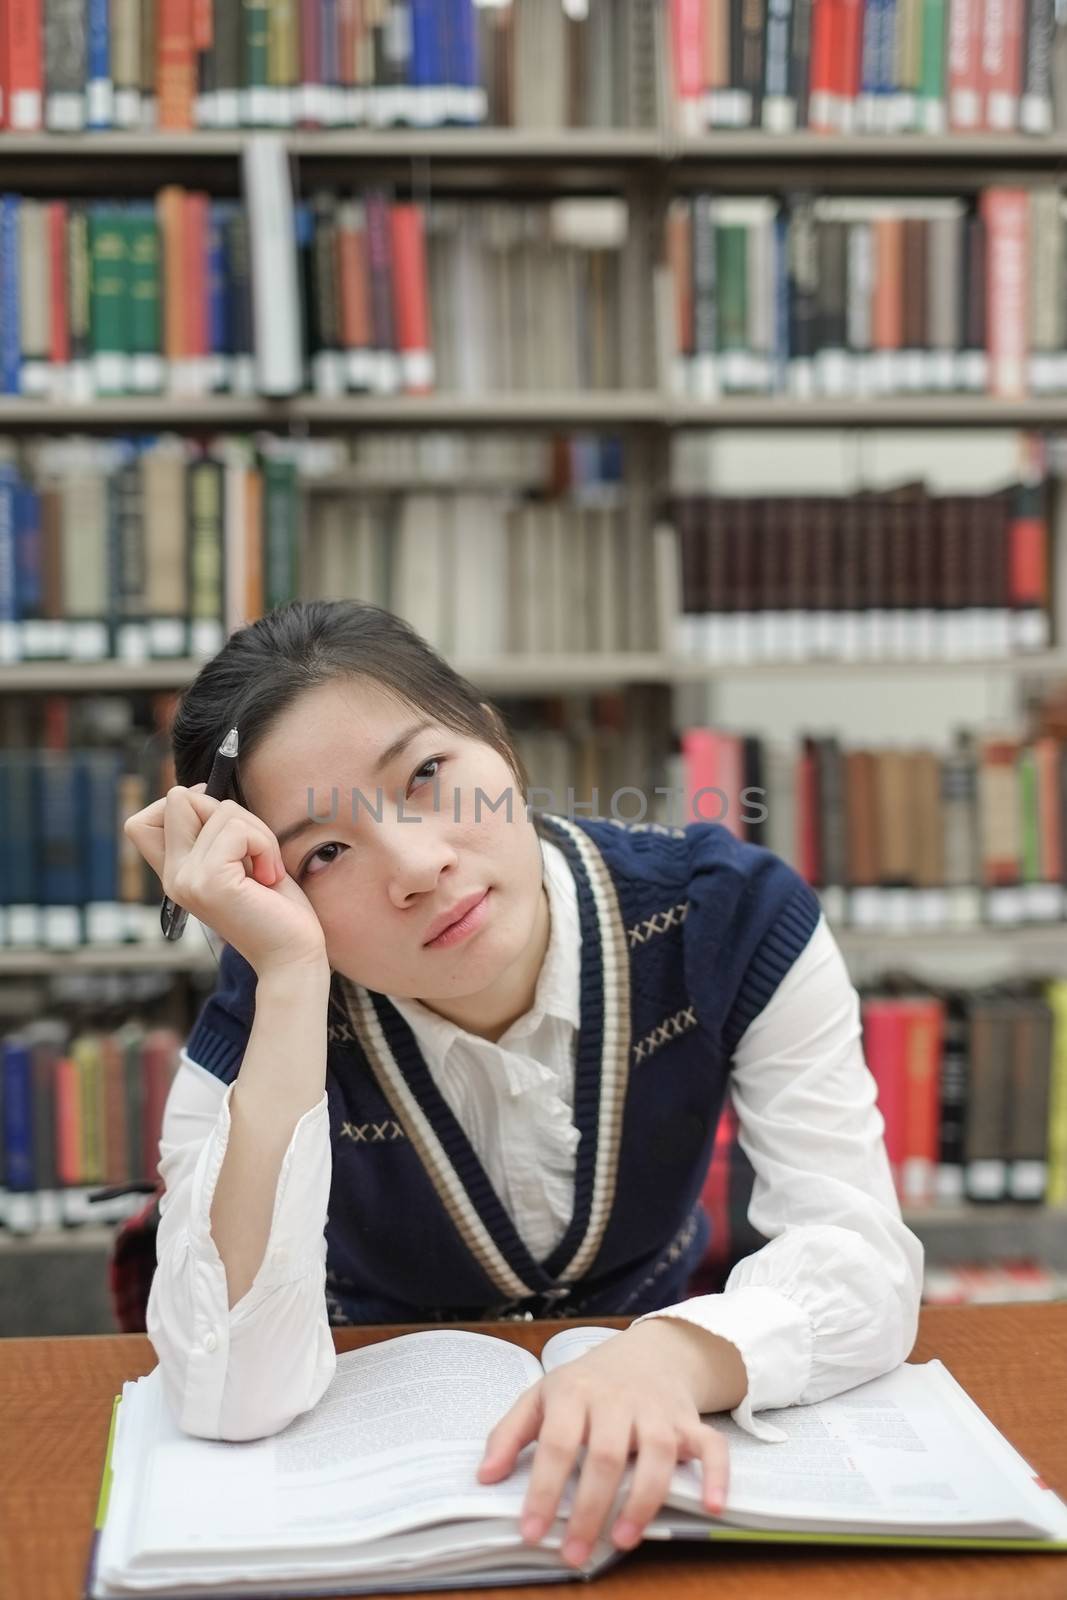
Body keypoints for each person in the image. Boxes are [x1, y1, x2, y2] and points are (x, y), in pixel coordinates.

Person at [124, 597, 923, 1569]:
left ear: (494, 740)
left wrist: (676, 1356)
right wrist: (291, 981)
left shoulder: (728, 918)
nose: (418, 864)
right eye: (322, 852)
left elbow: (862, 1258)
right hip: (391, 1497)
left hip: (657, 1466)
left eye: (426, 775)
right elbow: (227, 1390)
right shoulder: (268, 1011)